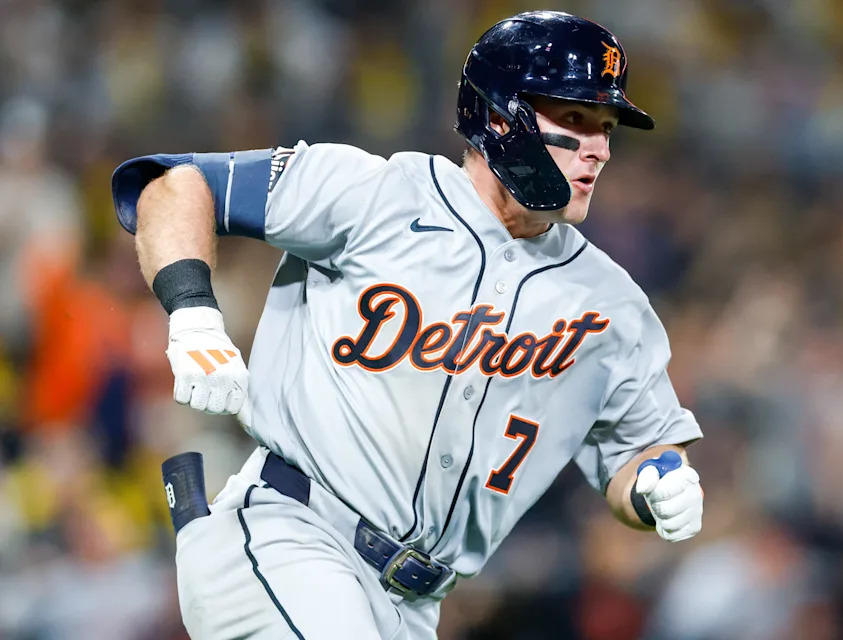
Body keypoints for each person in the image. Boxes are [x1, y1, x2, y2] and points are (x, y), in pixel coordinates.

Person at [112, 11, 705, 640]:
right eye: (576, 120)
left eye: (608, 128)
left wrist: (654, 483)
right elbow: (175, 185)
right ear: (500, 116)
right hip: (290, 537)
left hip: (415, 605)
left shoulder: (610, 301)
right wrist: (195, 315)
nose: (600, 149)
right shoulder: (380, 194)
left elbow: (638, 449)